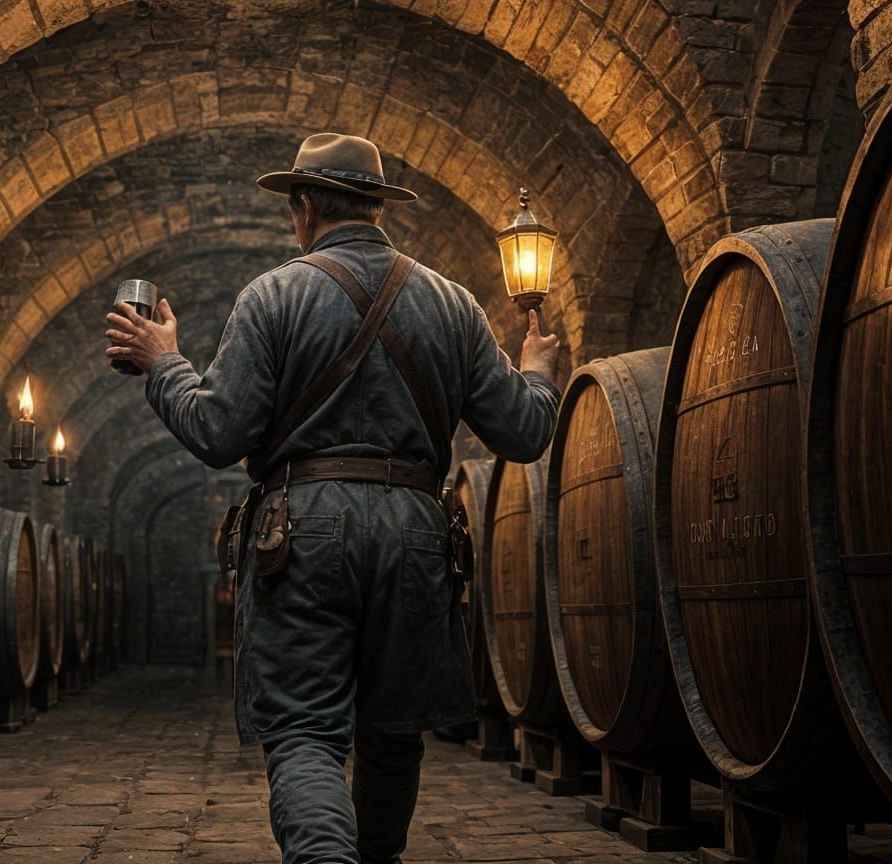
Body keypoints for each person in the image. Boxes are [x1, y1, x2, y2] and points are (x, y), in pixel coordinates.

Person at [105, 132, 560, 864]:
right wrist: (537, 370)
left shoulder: (274, 294)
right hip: (417, 533)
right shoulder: (455, 304)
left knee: (307, 732)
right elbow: (525, 430)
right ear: (376, 206)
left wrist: (164, 363)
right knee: (392, 731)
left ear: (304, 207)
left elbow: (219, 431)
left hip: (301, 531)